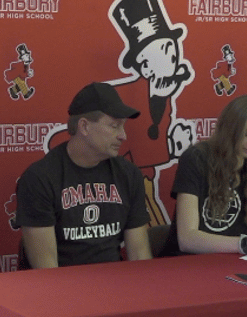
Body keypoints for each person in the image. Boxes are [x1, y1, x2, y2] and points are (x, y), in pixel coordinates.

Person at [16, 82, 152, 268]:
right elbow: (46, 270)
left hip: (115, 286)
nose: (123, 136)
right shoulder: (39, 178)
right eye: (114, 126)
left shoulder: (129, 174)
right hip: (61, 289)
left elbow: (139, 255)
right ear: (84, 127)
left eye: (123, 127)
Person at [160, 94, 247, 256]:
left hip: (233, 264)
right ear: (230, 129)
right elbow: (187, 239)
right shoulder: (196, 158)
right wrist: (246, 244)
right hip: (186, 265)